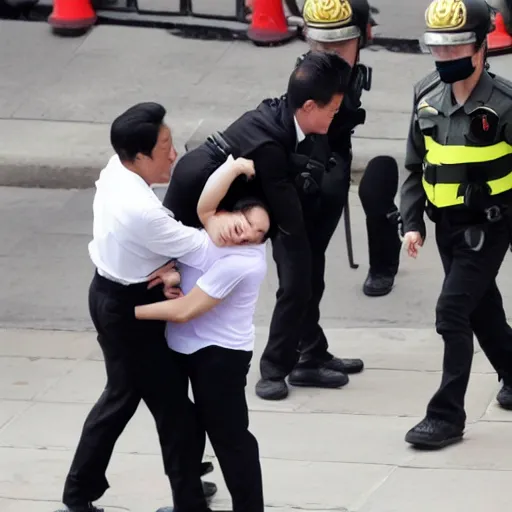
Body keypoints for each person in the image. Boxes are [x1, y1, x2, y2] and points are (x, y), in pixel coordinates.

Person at [55, 102, 251, 512]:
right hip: (128, 311)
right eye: (165, 147)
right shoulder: (142, 211)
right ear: (139, 156)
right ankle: (187, 502)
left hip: (116, 293)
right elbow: (204, 249)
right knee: (174, 411)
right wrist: (219, 219)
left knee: (123, 397)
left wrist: (164, 268)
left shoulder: (117, 168)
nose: (174, 153)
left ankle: (81, 493)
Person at [162, 51, 362, 401]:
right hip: (200, 195)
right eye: (332, 110)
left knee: (307, 275)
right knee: (297, 280)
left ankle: (310, 352)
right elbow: (289, 218)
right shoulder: (269, 143)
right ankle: (274, 370)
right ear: (310, 106)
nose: (335, 117)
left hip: (246, 189)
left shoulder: (288, 112)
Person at [400, 0, 512, 450]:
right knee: (481, 308)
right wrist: (412, 222)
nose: (445, 59)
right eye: (438, 50)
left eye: (456, 49)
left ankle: (446, 415)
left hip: (489, 225)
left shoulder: (504, 104)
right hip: (445, 225)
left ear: (482, 47)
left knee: (452, 312)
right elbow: (415, 164)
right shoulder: (425, 94)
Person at [136, 155, 269, 512]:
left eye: (258, 234)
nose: (246, 235)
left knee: (230, 437)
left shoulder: (245, 261)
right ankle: (190, 501)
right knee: (183, 428)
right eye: (245, 223)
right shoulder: (214, 229)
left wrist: (126, 312)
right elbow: (206, 204)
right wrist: (234, 166)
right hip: (182, 349)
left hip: (220, 356)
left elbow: (184, 310)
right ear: (230, 213)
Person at [300, 0, 402, 297]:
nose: (328, 55)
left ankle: (384, 262)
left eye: (339, 45)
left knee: (377, 182)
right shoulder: (305, 83)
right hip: (314, 156)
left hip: (337, 148)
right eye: (320, 45)